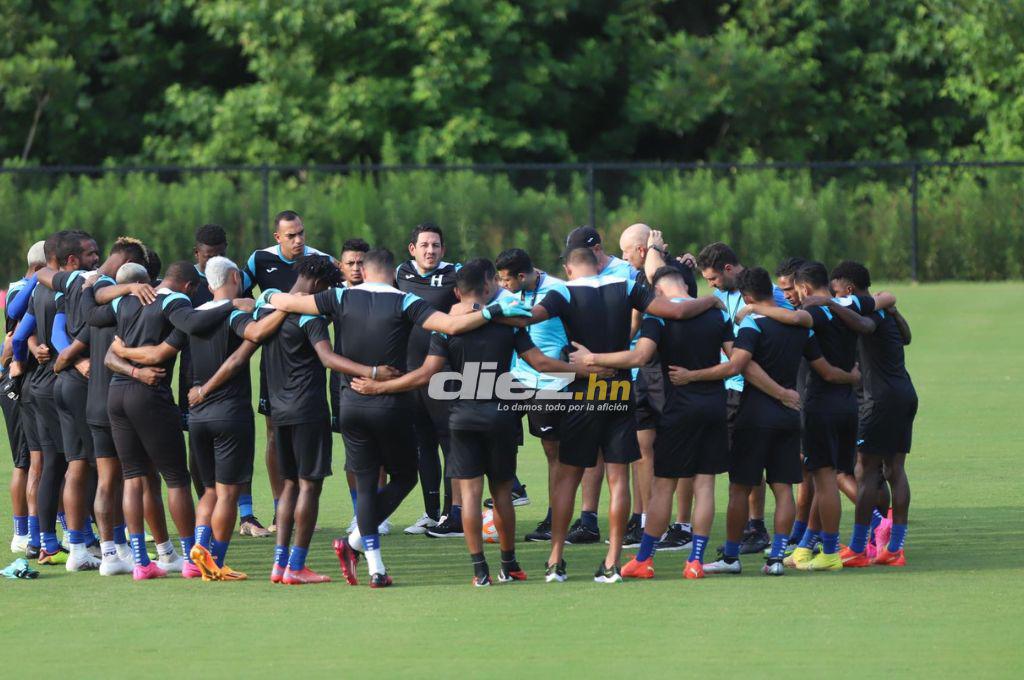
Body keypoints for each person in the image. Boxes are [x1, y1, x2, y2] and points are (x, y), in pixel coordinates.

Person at [268, 251, 531, 586]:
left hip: (350, 403)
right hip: (391, 404)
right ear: (393, 275)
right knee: (405, 477)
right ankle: (354, 544)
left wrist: (266, 297)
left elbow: (288, 303)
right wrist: (494, 310)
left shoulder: (339, 296)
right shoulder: (406, 301)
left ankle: (375, 566)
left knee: (365, 485)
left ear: (362, 270)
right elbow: (451, 324)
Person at [513, 246, 722, 583]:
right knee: (617, 478)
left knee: (568, 475)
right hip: (619, 389)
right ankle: (611, 562)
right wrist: (710, 300)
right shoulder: (626, 286)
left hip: (582, 390)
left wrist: (492, 316)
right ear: (598, 263)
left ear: (568, 268)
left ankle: (555, 560)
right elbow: (676, 311)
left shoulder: (560, 292)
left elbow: (527, 319)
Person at [693, 267, 859, 576]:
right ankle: (776, 559)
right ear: (772, 291)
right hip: (791, 416)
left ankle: (730, 558)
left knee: (740, 489)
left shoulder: (752, 324)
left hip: (755, 416)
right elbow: (822, 366)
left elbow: (738, 367)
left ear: (746, 296)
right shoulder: (800, 327)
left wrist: (693, 376)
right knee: (783, 489)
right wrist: (850, 376)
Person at [569, 264, 731, 580]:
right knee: (705, 483)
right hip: (714, 405)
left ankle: (644, 559)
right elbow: (737, 361)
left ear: (657, 292)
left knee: (663, 486)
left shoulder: (657, 316)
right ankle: (695, 561)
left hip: (678, 409)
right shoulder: (716, 313)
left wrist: (592, 358)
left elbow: (639, 357)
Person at [739, 262, 878, 572]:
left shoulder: (811, 314)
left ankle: (829, 551)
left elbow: (795, 318)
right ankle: (805, 547)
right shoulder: (847, 305)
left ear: (803, 288)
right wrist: (852, 377)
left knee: (824, 480)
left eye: (794, 291)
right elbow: (874, 315)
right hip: (847, 406)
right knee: (820, 479)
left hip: (820, 405)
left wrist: (753, 310)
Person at [105, 260, 236, 580]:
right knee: (176, 478)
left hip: (116, 394)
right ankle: (192, 558)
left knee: (134, 478)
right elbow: (160, 353)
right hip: (149, 396)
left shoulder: (126, 299)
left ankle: (141, 562)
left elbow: (111, 355)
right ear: (190, 287)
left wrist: (128, 358)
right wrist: (231, 304)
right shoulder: (176, 302)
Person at [695, 241, 794, 555]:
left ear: (728, 269)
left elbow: (794, 320)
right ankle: (759, 531)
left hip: (757, 387)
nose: (710, 285)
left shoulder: (762, 295)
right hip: (734, 390)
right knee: (749, 466)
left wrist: (755, 310)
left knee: (755, 468)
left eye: (712, 278)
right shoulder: (719, 297)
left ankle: (755, 527)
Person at [241, 210, 333, 532]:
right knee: (273, 434)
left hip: (310, 357)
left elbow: (343, 296)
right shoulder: (259, 260)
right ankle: (283, 507)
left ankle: (298, 508)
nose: (298, 241)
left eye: (301, 234)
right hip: (274, 361)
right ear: (277, 237)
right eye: (290, 236)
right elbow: (236, 294)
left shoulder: (321, 261)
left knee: (304, 435)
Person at [829, 261, 916, 566]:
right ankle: (895, 548)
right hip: (905, 394)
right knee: (895, 471)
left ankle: (856, 548)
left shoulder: (866, 312)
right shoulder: (886, 309)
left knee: (865, 474)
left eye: (837, 289)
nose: (834, 293)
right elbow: (906, 336)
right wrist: (892, 308)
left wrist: (829, 304)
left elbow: (864, 326)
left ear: (849, 289)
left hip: (879, 401)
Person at [618, 224, 699, 550]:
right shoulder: (639, 276)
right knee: (643, 448)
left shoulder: (677, 275)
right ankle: (650, 521)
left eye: (627, 251)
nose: (623, 257)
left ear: (642, 250)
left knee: (678, 450)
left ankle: (682, 524)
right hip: (646, 373)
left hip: (672, 371)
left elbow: (640, 320)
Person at [561, 226, 635, 545]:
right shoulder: (574, 284)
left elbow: (636, 323)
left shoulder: (624, 275)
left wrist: (601, 359)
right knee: (589, 461)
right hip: (596, 379)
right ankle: (589, 520)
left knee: (621, 466)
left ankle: (637, 523)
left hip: (615, 376)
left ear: (596, 249)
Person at [35, 231, 103, 571]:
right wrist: (75, 359)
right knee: (96, 464)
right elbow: (72, 331)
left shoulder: (43, 289)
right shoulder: (83, 286)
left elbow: (30, 332)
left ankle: (54, 541)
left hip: (49, 383)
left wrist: (29, 350)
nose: (97, 258)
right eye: (91, 253)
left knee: (59, 463)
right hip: (70, 383)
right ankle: (108, 542)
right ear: (71, 261)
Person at [494, 248, 572, 542]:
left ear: (523, 276)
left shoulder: (556, 289)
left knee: (554, 453)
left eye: (507, 281)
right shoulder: (511, 290)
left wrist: (486, 313)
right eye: (499, 280)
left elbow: (527, 319)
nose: (503, 286)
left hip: (551, 381)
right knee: (493, 431)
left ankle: (555, 519)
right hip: (517, 379)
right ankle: (512, 488)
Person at [394, 223, 465, 536]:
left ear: (443, 249)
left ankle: (454, 514)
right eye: (424, 245)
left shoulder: (456, 274)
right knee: (423, 445)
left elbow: (480, 298)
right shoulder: (400, 274)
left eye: (435, 245)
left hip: (445, 374)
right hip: (410, 373)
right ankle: (431, 512)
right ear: (413, 249)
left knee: (450, 443)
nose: (430, 251)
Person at [9, 231, 75, 565]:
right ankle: (75, 537)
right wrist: (69, 357)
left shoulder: (30, 293)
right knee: (60, 463)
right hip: (50, 384)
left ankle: (36, 538)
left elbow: (19, 331)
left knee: (41, 463)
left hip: (28, 386)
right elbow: (59, 335)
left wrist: (23, 356)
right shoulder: (60, 291)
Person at [334, 238, 393, 537]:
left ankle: (377, 514)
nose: (356, 268)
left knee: (381, 452)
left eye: (360, 263)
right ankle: (361, 513)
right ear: (340, 267)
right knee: (353, 454)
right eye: (350, 263)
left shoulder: (389, 294)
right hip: (345, 383)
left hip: (385, 381)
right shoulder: (337, 296)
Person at [2, 241, 46, 555]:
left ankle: (42, 529)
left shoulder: (22, 286)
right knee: (24, 461)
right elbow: (14, 337)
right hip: (16, 380)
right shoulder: (24, 289)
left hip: (24, 379)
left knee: (41, 459)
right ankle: (20, 532)